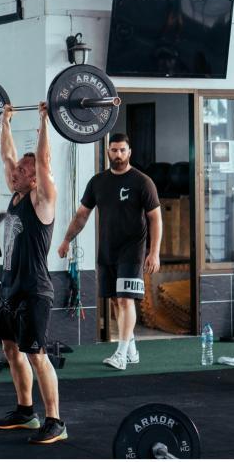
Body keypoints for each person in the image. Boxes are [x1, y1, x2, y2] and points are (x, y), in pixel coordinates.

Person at [0, 102, 67, 444]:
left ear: (35, 177)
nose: (15, 172)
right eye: (18, 169)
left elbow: (45, 162)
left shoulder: (42, 200)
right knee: (11, 349)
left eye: (23, 170)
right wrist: (3, 122)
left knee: (37, 354)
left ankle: (55, 421)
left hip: (35, 290)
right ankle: (26, 412)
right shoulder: (16, 195)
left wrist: (43, 121)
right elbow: (7, 156)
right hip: (10, 288)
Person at [58, 133, 162, 370]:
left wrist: (154, 252)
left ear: (129, 152)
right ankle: (132, 350)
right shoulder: (98, 182)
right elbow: (81, 215)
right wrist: (66, 240)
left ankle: (121, 353)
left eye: (122, 150)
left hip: (133, 249)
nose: (118, 155)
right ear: (108, 151)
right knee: (116, 300)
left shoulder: (142, 182)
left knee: (126, 300)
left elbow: (155, 218)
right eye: (114, 150)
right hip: (107, 249)